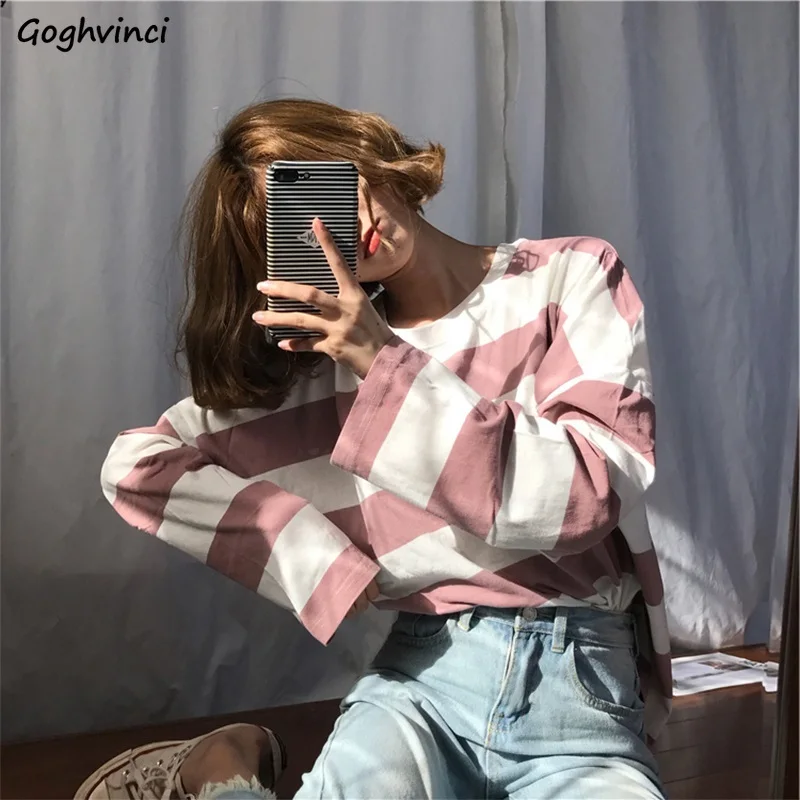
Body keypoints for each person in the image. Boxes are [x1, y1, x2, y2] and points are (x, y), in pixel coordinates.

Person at [83, 98, 672, 799]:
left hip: (580, 691)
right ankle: (225, 762)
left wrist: (381, 356)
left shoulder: (566, 277)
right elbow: (138, 466)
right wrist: (305, 550)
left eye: (322, 184)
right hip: (420, 686)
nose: (331, 227)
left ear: (360, 150)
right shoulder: (329, 381)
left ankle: (222, 775)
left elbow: (585, 494)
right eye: (294, 222)